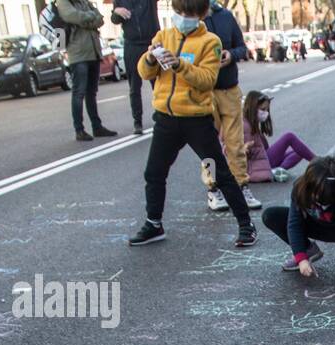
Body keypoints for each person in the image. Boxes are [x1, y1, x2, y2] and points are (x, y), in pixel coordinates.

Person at [128, 0, 255, 248]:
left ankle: (245, 225)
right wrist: (151, 58)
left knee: (218, 173)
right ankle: (154, 223)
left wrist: (179, 64)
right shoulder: (163, 35)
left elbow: (207, 79)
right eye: (179, 12)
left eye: (189, 13)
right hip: (166, 119)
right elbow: (144, 72)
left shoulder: (210, 42)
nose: (182, 17)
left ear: (200, 14)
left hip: (196, 121)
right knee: (154, 173)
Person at [261, 155, 335, 287]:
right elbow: (294, 224)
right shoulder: (300, 187)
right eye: (316, 196)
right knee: (270, 215)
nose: (320, 200)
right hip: (314, 226)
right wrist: (301, 258)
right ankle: (307, 250)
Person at [200, 0, 259, 212]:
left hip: (229, 88)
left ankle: (242, 186)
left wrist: (230, 55)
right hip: (205, 90)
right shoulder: (192, 18)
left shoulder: (225, 16)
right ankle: (213, 189)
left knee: (235, 141)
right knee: (208, 143)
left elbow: (242, 47)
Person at [56, 0, 116, 141]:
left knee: (92, 92)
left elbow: (100, 19)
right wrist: (90, 17)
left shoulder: (85, 2)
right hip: (78, 55)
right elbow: (72, 16)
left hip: (93, 51)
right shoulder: (64, 2)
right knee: (79, 93)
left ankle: (97, 127)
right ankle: (79, 130)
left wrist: (86, 18)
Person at [241, 91, 315, 183]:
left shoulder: (251, 122)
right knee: (289, 136)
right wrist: (245, 149)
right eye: (263, 109)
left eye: (267, 110)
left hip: (262, 160)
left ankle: (277, 171)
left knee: (300, 151)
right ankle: (319, 162)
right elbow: (245, 153)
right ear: (253, 108)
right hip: (257, 164)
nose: (266, 113)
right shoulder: (244, 125)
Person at [110, 0, 160, 134]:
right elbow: (114, 20)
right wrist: (116, 13)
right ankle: (137, 122)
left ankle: (161, 115)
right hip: (131, 44)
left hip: (151, 42)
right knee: (134, 86)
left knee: (158, 83)